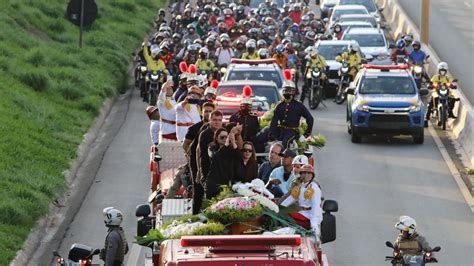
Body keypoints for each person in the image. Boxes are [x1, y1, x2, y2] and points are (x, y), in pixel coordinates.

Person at [183, 103, 216, 214]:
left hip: (211, 164)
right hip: (197, 163)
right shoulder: (195, 129)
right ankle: (195, 214)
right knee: (198, 190)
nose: (207, 113)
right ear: (201, 112)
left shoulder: (218, 129)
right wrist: (192, 162)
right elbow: (186, 145)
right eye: (205, 111)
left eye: (210, 111)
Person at [280, 164, 322, 237]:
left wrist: (314, 225)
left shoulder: (314, 188)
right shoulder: (300, 186)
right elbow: (291, 198)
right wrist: (280, 207)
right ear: (301, 174)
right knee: (281, 212)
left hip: (310, 216)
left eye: (309, 173)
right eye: (304, 173)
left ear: (312, 175)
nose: (306, 175)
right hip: (302, 212)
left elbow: (315, 207)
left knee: (285, 215)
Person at [269, 80, 314, 148]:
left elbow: (310, 118)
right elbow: (274, 120)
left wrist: (306, 134)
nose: (287, 92)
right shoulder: (279, 105)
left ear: (294, 92)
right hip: (281, 130)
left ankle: (284, 158)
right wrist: (272, 133)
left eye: (290, 91)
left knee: (285, 142)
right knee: (268, 138)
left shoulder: (299, 105)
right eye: (285, 90)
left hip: (292, 131)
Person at [205, 126, 244, 198]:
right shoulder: (212, 148)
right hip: (214, 183)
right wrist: (226, 144)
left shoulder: (229, 149)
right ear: (216, 138)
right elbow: (215, 157)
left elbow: (239, 157)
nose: (225, 139)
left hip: (226, 182)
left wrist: (233, 141)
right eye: (222, 137)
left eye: (226, 137)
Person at [196, 110, 224, 207]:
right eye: (214, 120)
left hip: (222, 171)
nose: (217, 122)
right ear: (210, 120)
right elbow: (200, 152)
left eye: (219, 120)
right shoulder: (204, 134)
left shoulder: (224, 133)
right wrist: (199, 170)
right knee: (209, 199)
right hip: (207, 169)